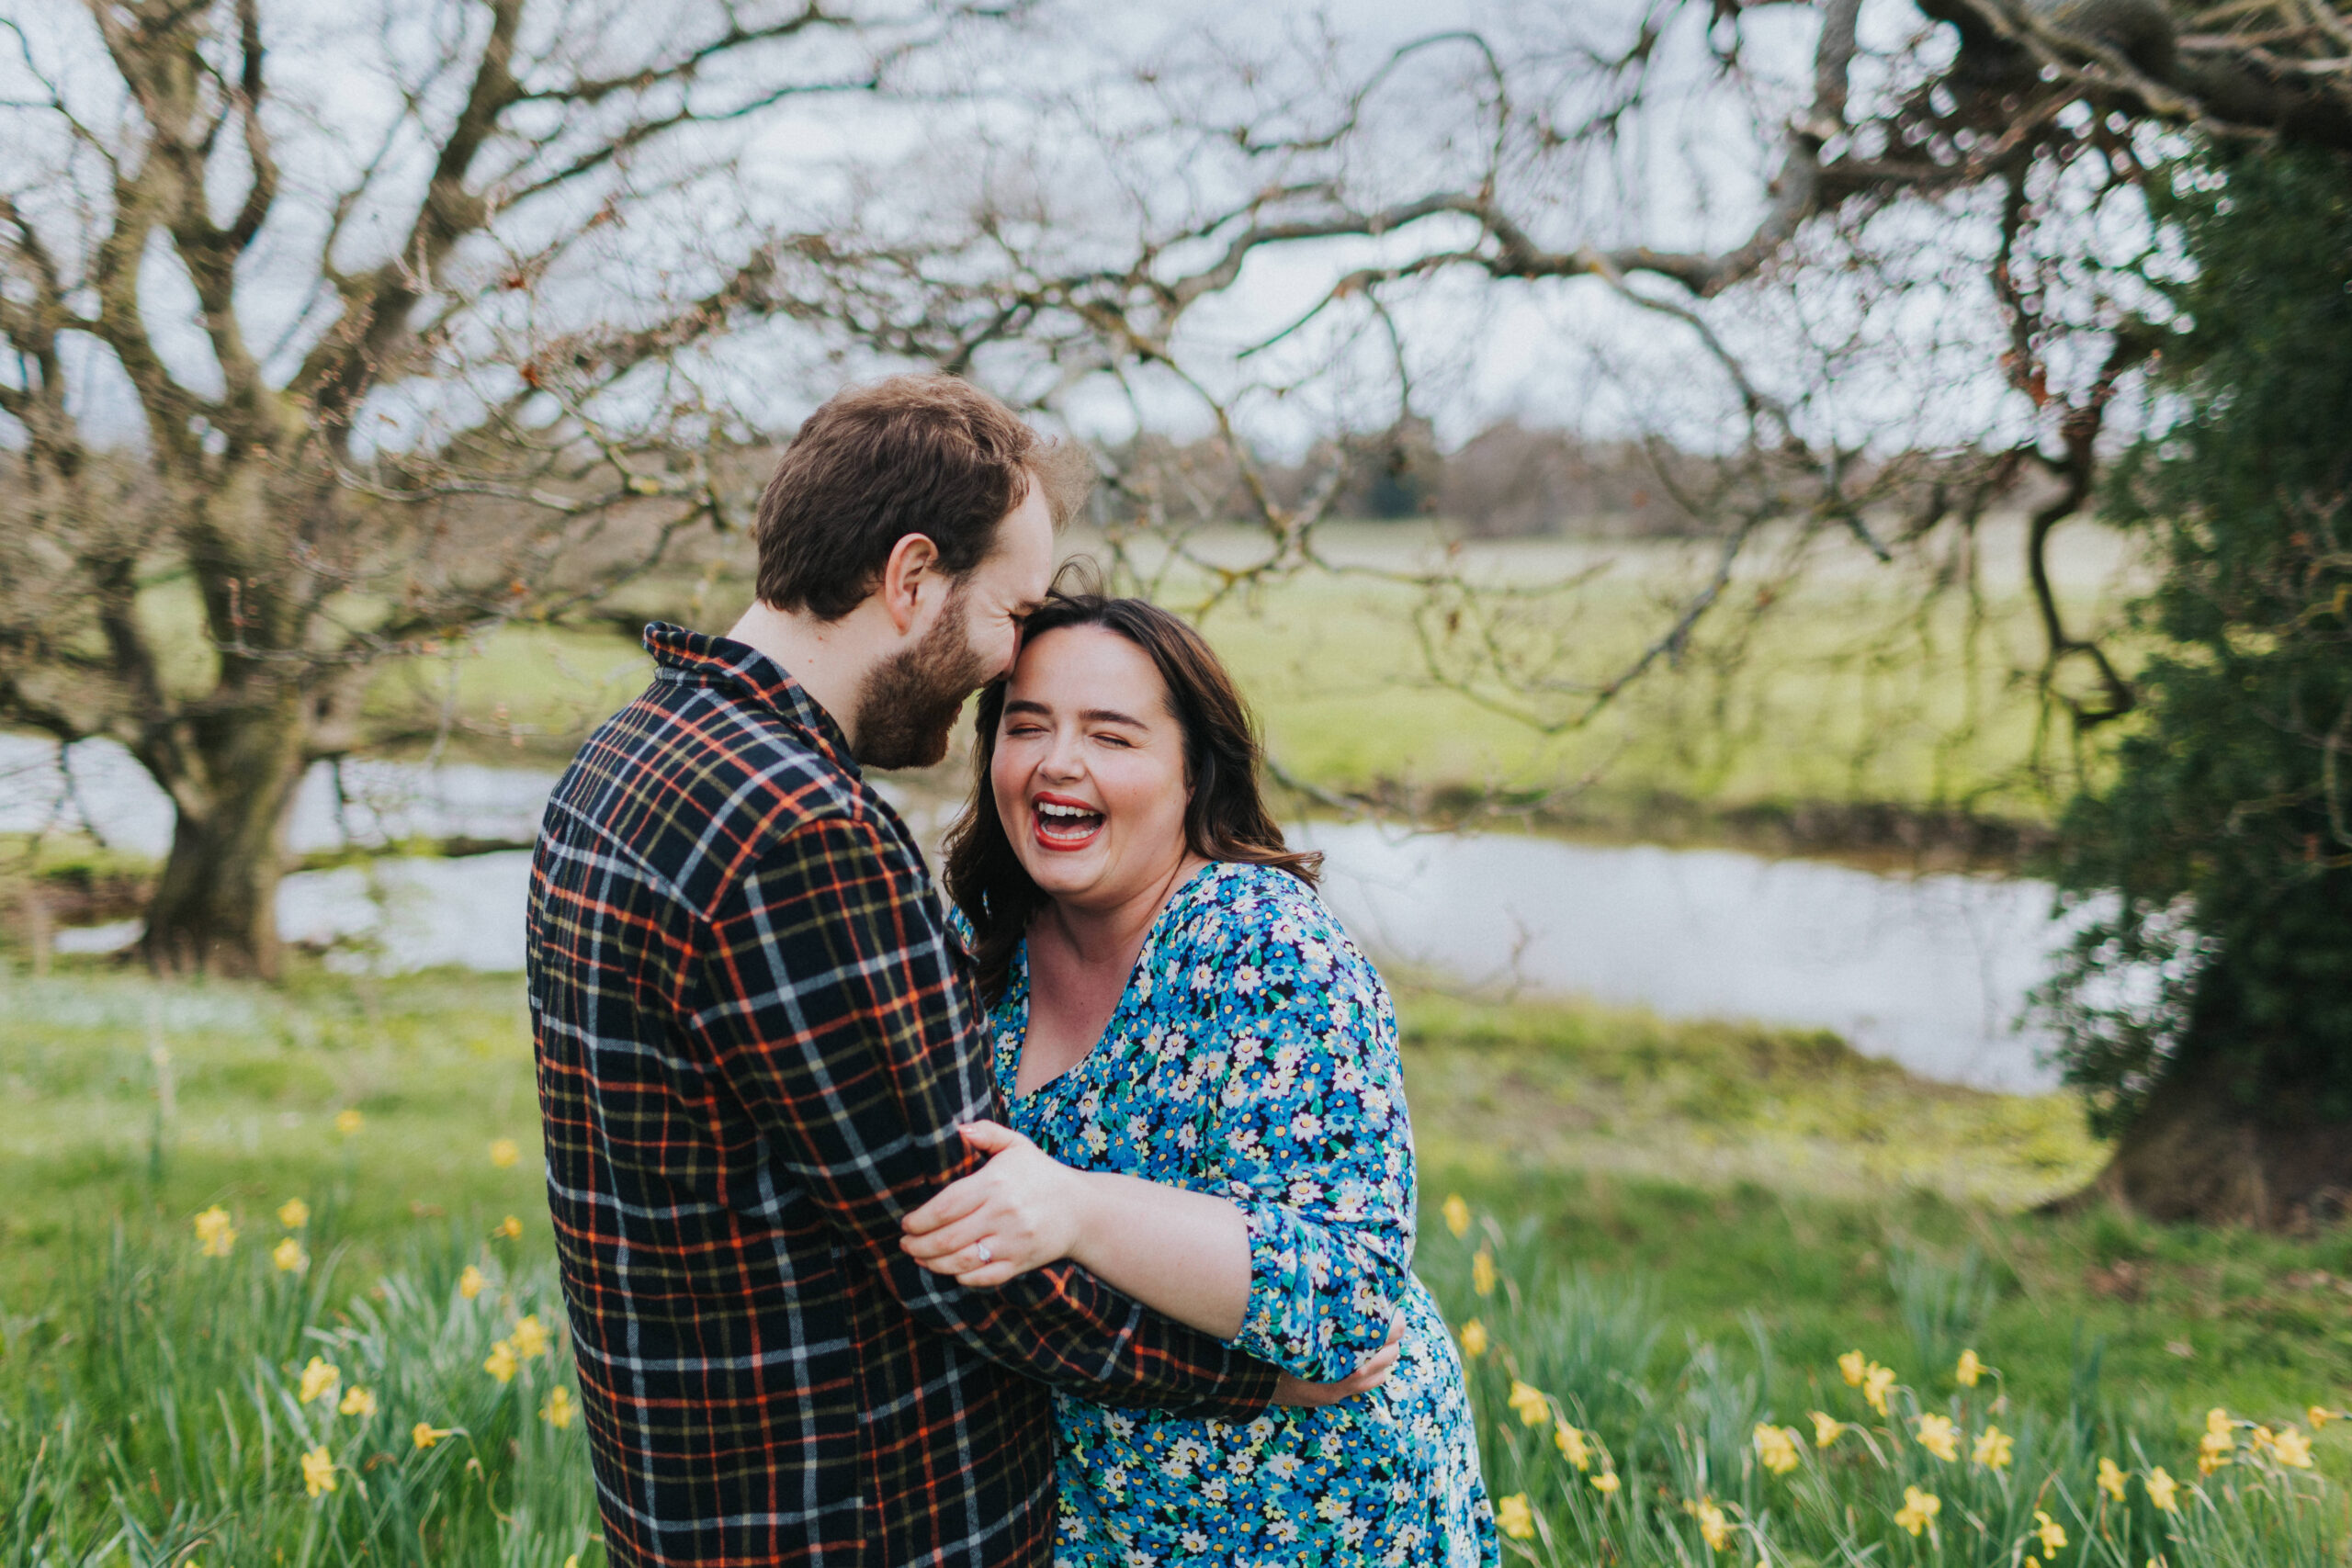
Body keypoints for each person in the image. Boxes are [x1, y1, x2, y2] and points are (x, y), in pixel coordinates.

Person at [526, 376, 1393, 1568]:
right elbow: (958, 1240)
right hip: (851, 1511)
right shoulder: (797, 827)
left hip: (697, 1491)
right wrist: (1254, 1374)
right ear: (910, 577)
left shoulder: (629, 756)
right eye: (1011, 613)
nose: (1004, 669)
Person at [900, 592, 1498, 1567]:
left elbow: (1349, 1299)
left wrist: (1078, 1209)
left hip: (1315, 1515)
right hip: (1094, 1522)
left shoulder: (1263, 946)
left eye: (1113, 736)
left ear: (1192, 774)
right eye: (1027, 725)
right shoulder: (977, 954)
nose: (1060, 761)